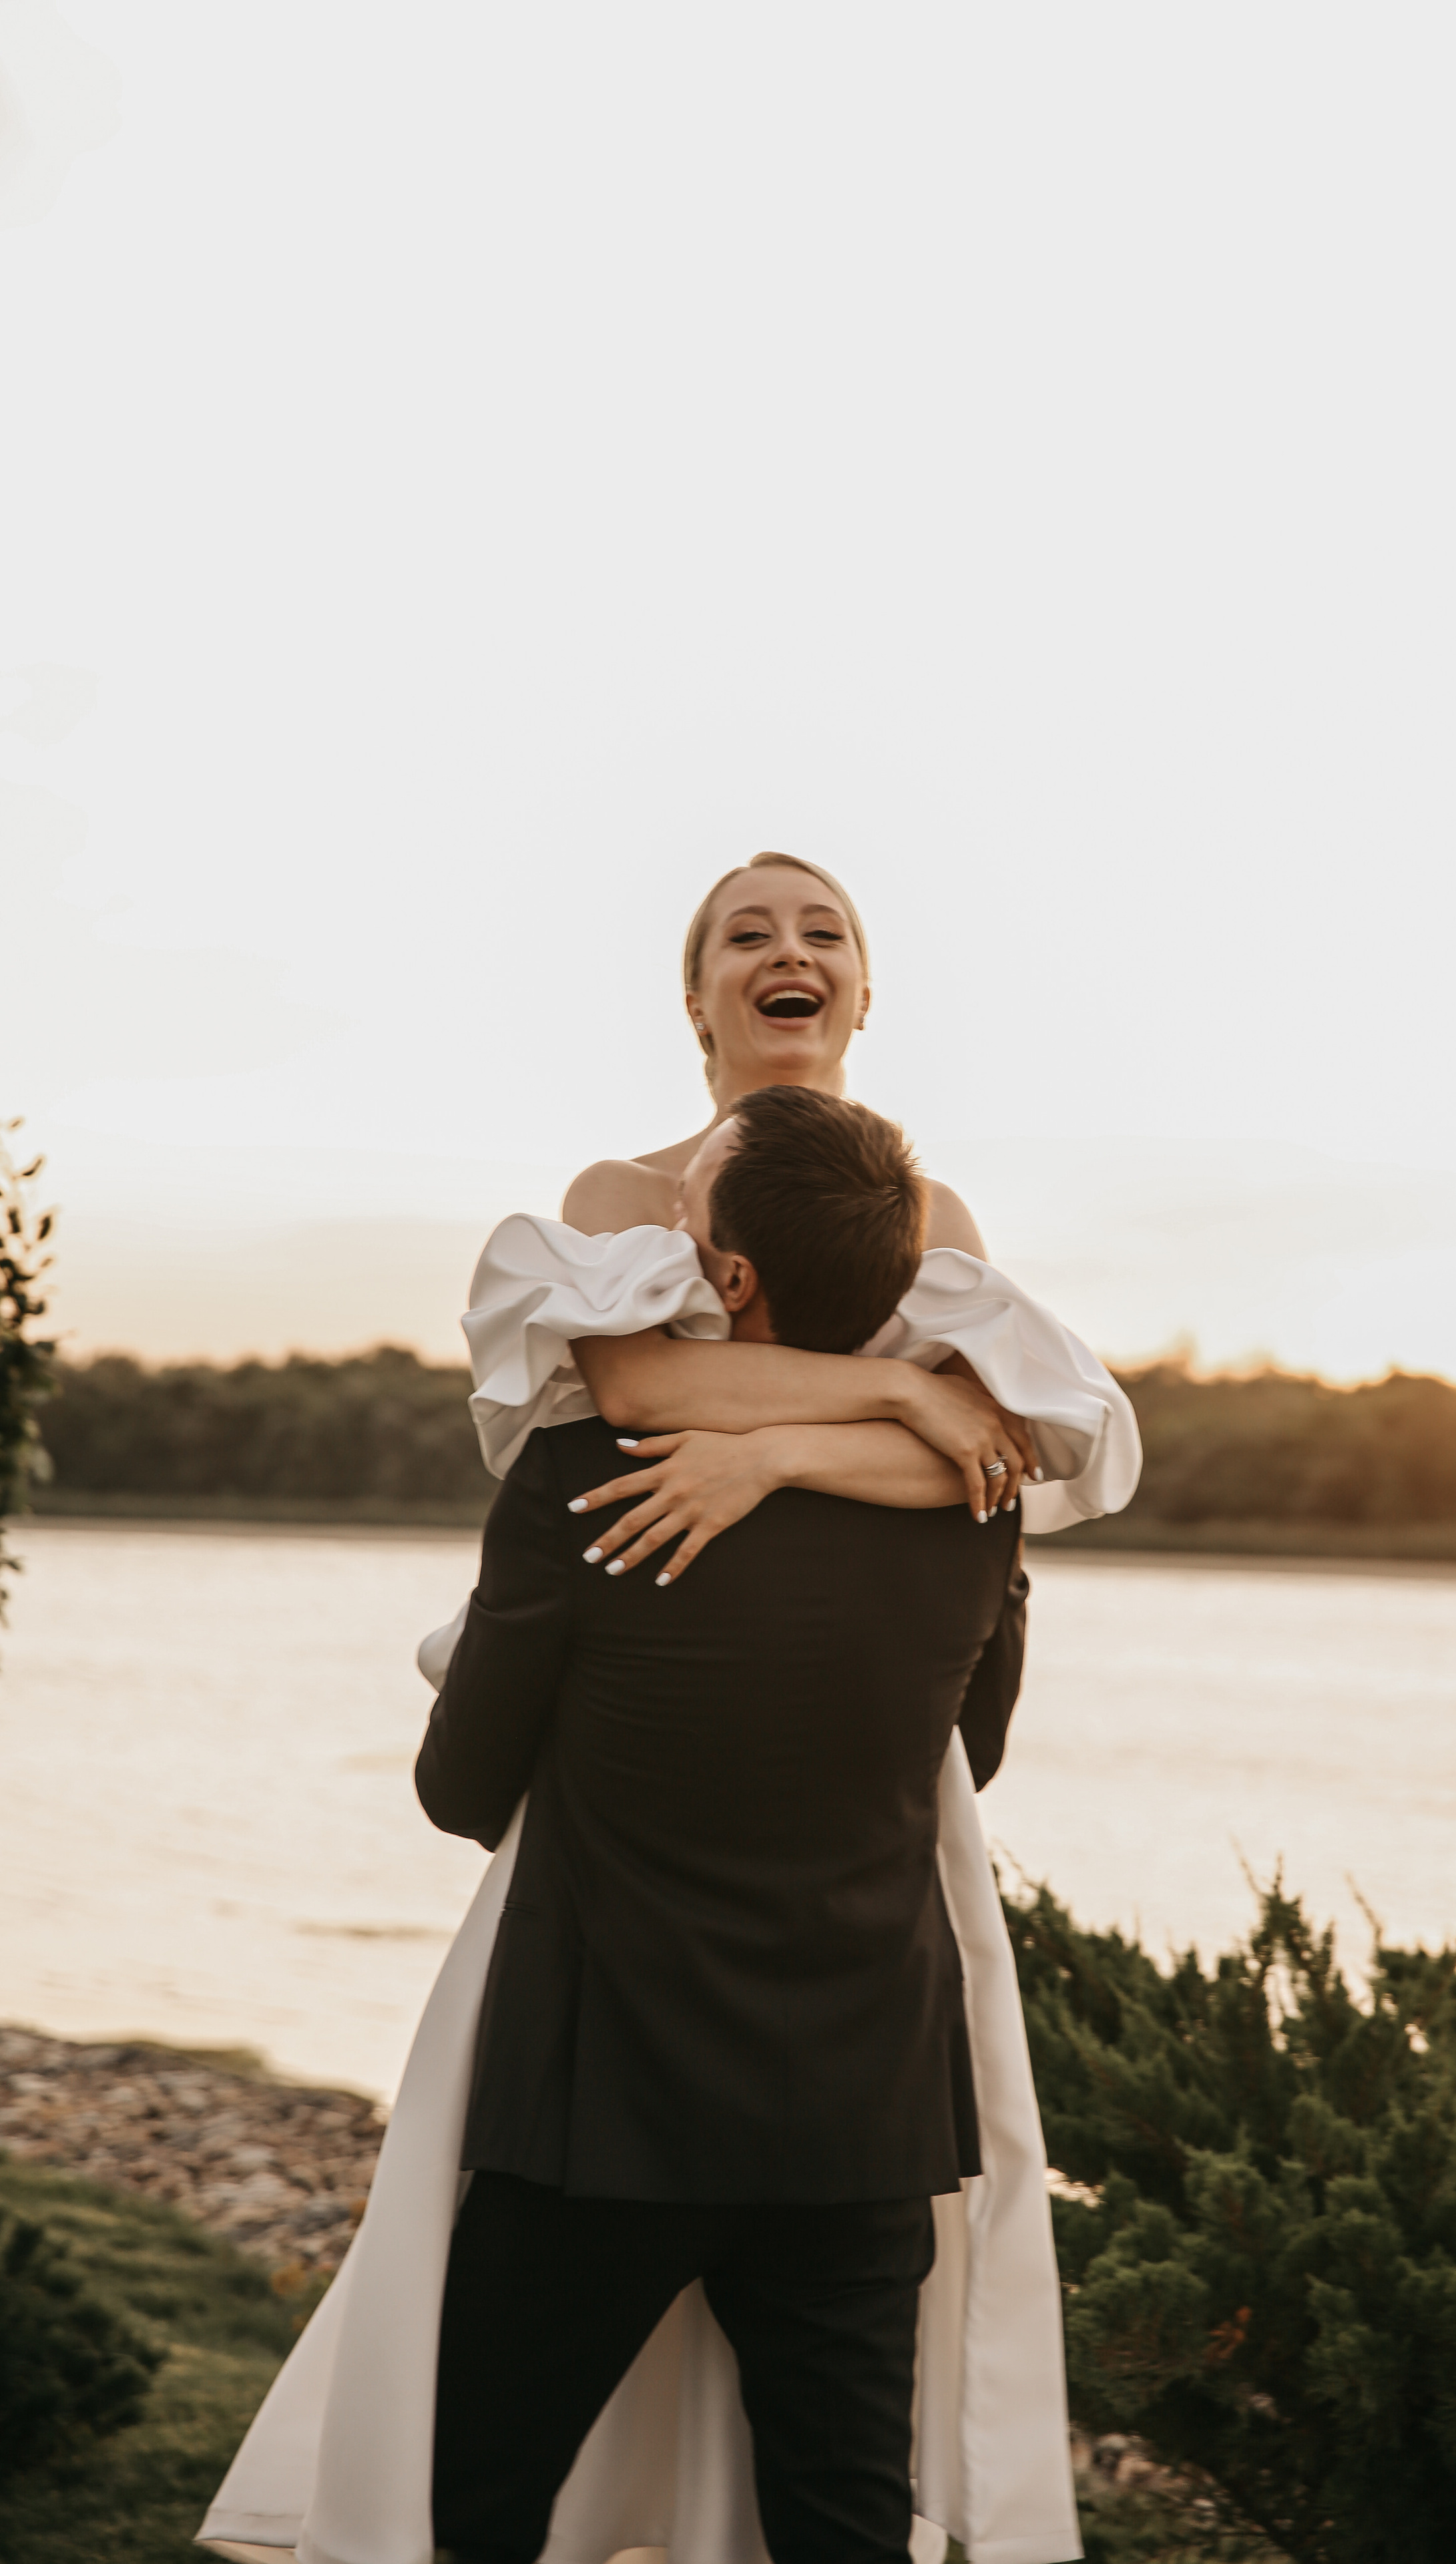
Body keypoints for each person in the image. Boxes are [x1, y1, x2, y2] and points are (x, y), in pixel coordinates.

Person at [200, 858, 1137, 2564]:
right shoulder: (620, 1198)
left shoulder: (932, 1220)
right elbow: (646, 1385)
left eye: (823, 931)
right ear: (697, 999)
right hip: (852, 2041)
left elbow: (1000, 1444)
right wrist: (880, 1404)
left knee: (471, 2471)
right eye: (744, 934)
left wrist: (775, 1448)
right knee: (843, 2492)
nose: (787, 951)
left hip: (623, 2014)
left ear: (863, 995)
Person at [417, 1085, 1025, 2564]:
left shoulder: (577, 1480)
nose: (671, 1236)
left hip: (602, 2105)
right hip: (860, 2116)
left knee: (484, 2504)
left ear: (731, 1280)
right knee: (840, 2527)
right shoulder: (971, 1506)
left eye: (692, 1220)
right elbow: (975, 1755)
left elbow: (457, 1789)